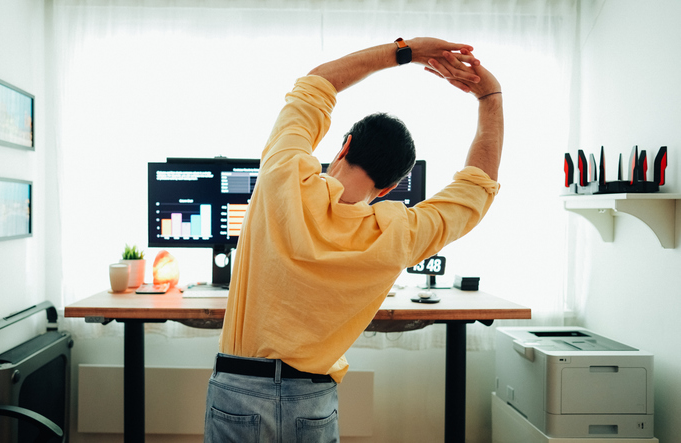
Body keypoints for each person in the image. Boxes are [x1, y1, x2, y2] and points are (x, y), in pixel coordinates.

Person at [204, 37, 503, 442]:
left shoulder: (284, 175)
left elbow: (317, 84)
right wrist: (489, 97)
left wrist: (408, 51)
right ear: (390, 187)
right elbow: (476, 189)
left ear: (344, 145)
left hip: (238, 391)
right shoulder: (398, 233)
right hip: (310, 401)